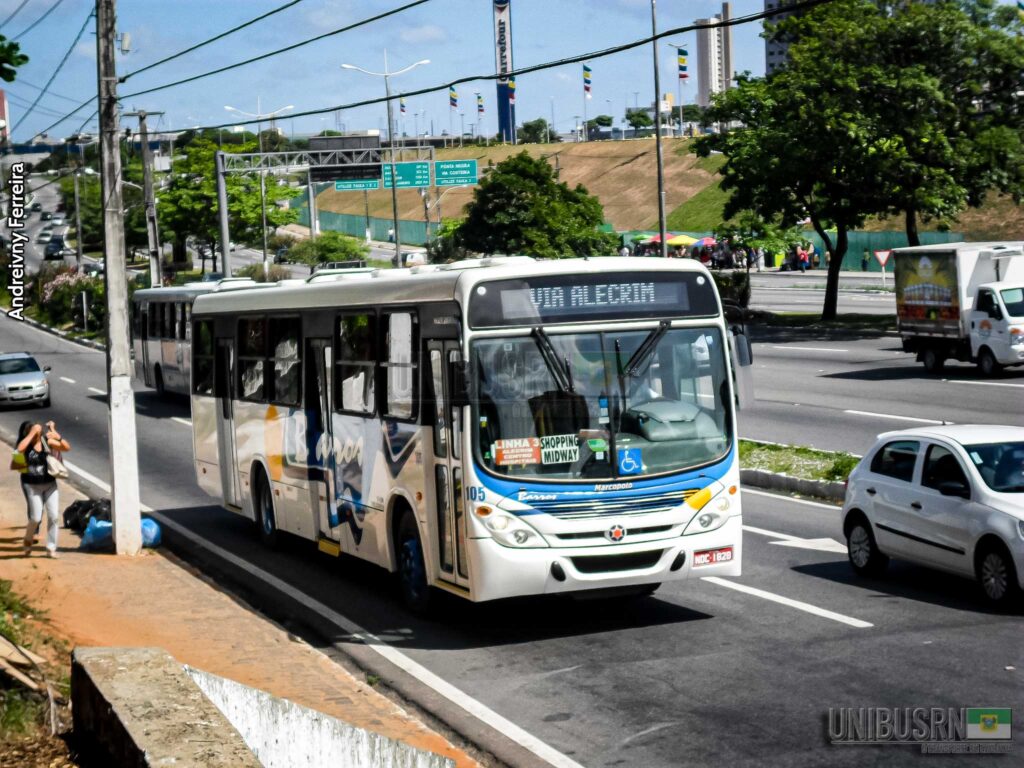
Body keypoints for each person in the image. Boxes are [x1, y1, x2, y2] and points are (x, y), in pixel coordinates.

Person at [15, 420, 70, 557]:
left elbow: (66, 447)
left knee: (54, 517)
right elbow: (18, 452)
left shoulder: (46, 442)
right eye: (34, 433)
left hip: (50, 484)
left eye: (38, 433)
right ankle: (28, 539)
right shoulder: (24, 445)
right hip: (31, 486)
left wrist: (58, 436)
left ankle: (51, 548)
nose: (37, 435)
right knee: (35, 518)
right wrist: (31, 434)